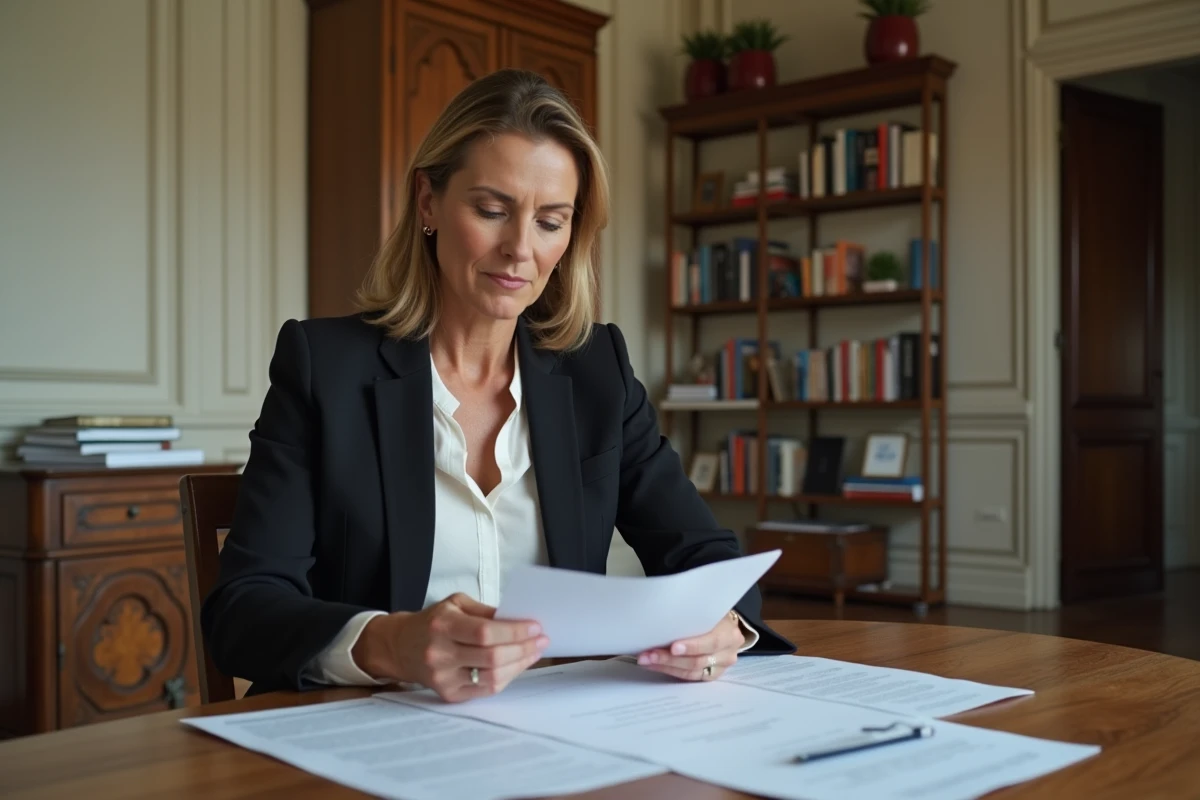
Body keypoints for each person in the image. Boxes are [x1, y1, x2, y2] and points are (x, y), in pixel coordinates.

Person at [202, 68, 794, 703]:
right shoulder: (324, 366)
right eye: (492, 210)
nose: (520, 248)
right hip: (368, 729)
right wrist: (393, 642)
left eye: (550, 220)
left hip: (558, 729)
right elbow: (243, 610)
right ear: (428, 202)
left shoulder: (597, 370)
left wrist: (724, 627)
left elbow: (704, 555)